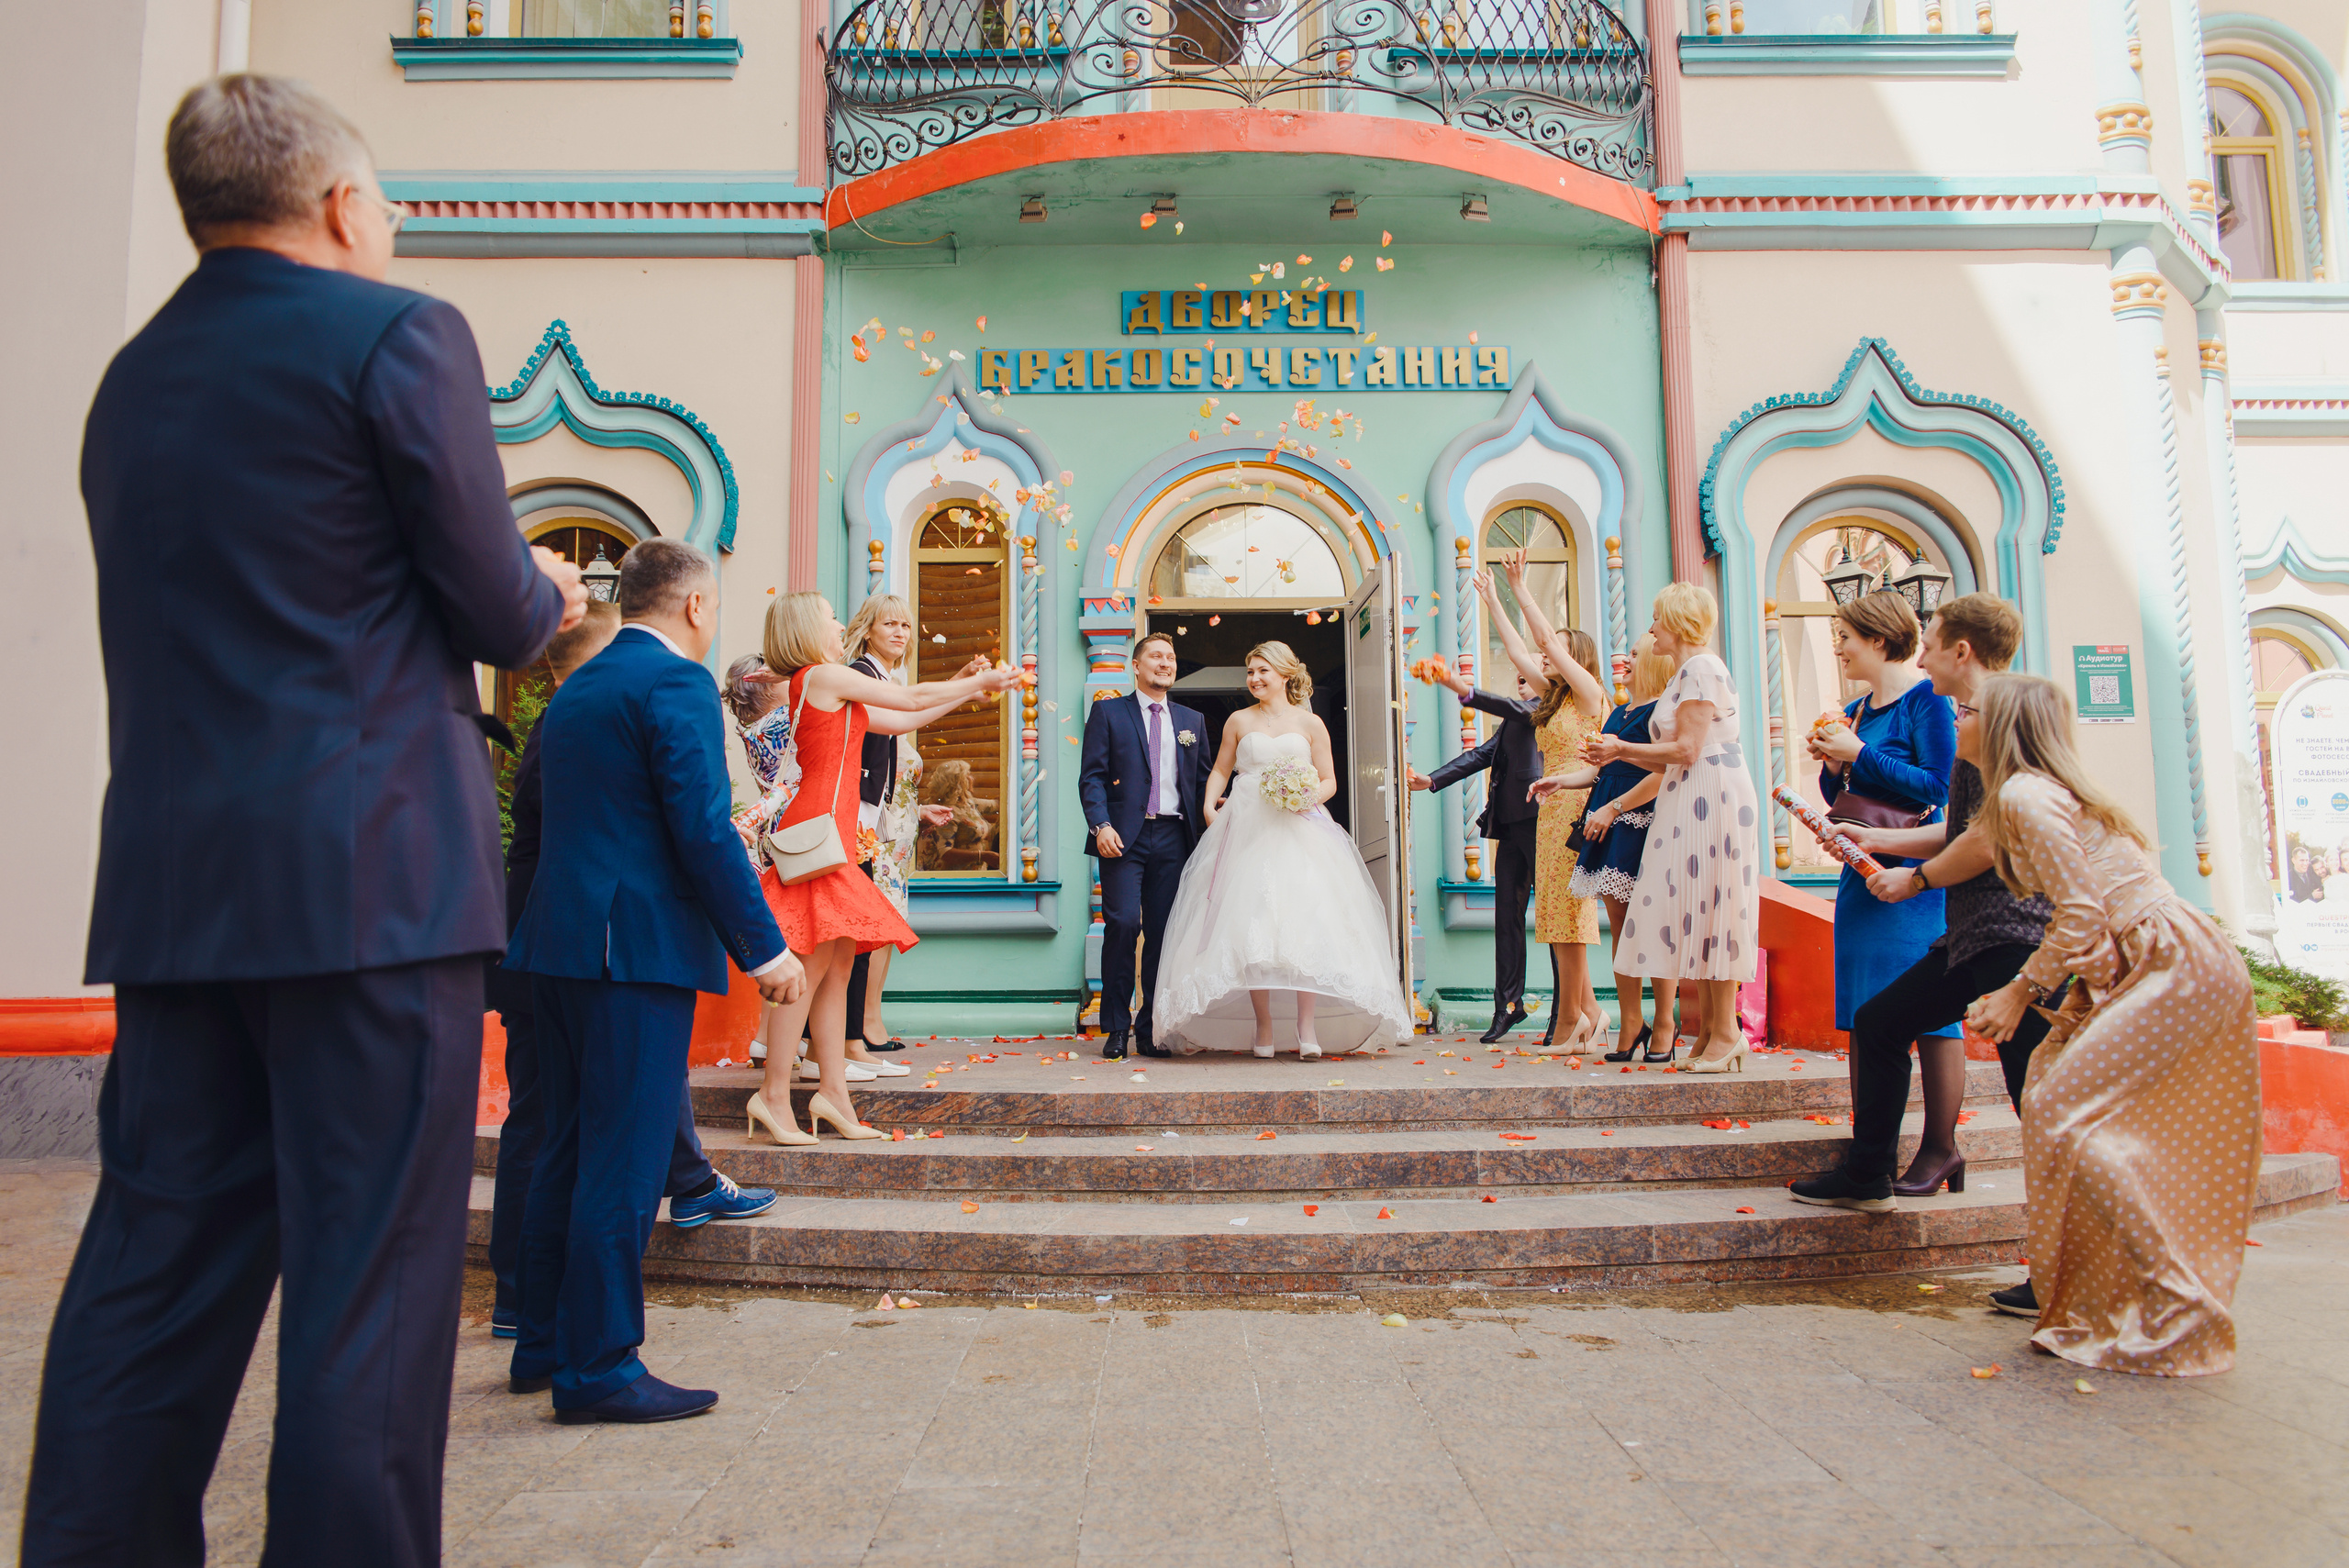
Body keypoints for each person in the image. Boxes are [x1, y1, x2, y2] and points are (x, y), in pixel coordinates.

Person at [26, 74, 585, 1566]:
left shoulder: (134, 374)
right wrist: (556, 595)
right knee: (369, 1292)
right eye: (384, 203)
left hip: (177, 893)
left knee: (151, 1273)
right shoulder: (397, 334)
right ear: (343, 205)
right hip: (374, 888)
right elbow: (491, 598)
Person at [504, 540, 807, 1424]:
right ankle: (599, 1366)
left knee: (563, 1145)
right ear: (697, 608)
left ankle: (544, 1343)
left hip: (555, 948)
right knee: (627, 1159)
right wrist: (764, 948)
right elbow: (702, 829)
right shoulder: (673, 684)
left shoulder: (581, 686)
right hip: (629, 953)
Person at [1963, 673, 2263, 1376]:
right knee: (2057, 1095)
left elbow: (2083, 914)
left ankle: (2179, 1306)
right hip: (2167, 958)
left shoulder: (2023, 793)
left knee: (2063, 1111)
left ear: (2000, 725)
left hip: (2173, 962)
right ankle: (2125, 1297)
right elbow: (2095, 922)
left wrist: (2020, 991)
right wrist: (2076, 1004)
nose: (1956, 717)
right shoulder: (2033, 795)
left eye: (1967, 710)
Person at [1789, 594, 2057, 1226]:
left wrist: (1915, 879)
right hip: (1973, 930)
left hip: (2016, 932)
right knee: (1881, 1021)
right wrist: (1879, 841)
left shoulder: (1997, 714)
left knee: (2036, 1095)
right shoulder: (1969, 714)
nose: (1922, 648)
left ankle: (2074, 1257)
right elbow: (1961, 826)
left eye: (1931, 638)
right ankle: (1868, 1170)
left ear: (1961, 651)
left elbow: (1983, 834)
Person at [747, 593, 1024, 1130]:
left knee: (836, 970)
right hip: (821, 836)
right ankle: (774, 1096)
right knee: (809, 971)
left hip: (837, 836)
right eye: (830, 616)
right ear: (808, 628)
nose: (837, 623)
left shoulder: (828, 684)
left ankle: (834, 1094)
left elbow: (902, 718)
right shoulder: (823, 676)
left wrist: (966, 696)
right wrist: (983, 682)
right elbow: (914, 694)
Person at [1155, 642, 1415, 1056]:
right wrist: (1208, 804)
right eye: (1250, 672)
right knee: (1249, 922)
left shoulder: (1310, 724)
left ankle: (1306, 1029)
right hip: (1246, 829)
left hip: (1299, 829)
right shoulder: (1239, 720)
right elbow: (1221, 769)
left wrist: (1306, 796)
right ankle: (1263, 1029)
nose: (1254, 679)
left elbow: (1329, 779)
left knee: (1305, 920)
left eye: (1262, 671)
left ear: (1285, 675)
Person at [1807, 590, 1957, 1182]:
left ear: (1878, 638)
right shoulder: (1857, 707)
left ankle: (1940, 1148)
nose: (1838, 647)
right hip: (1859, 870)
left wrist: (1860, 753)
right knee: (1864, 1010)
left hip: (1916, 878)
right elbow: (1844, 796)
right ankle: (1869, 1151)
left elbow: (1938, 789)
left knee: (1933, 1016)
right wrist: (1833, 761)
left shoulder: (1928, 703)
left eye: (1845, 636)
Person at [1587, 583, 1761, 1072]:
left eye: (1657, 618)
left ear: (1680, 621)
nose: (1651, 629)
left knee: (1715, 907)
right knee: (1699, 908)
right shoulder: (1687, 673)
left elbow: (1687, 749)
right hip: (1690, 795)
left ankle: (1726, 1034)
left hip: (1711, 794)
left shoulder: (1703, 667)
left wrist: (1620, 749)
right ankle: (1708, 1034)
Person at [1479, 558, 1614, 1051]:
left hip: (1578, 807)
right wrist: (1493, 600)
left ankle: (1577, 1018)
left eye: (1555, 647)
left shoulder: (1587, 694)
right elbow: (1520, 652)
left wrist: (1520, 588)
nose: (1544, 652)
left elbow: (1544, 643)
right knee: (1555, 913)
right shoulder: (1554, 700)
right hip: (1551, 808)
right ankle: (1587, 1016)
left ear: (1574, 654)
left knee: (1570, 913)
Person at [1080, 631, 1211, 1060]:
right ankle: (1115, 1028)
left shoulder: (1193, 721)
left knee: (1161, 934)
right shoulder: (1108, 713)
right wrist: (1100, 825)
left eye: (1171, 658)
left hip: (1175, 838)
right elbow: (1092, 777)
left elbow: (1204, 782)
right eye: (1156, 656)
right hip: (1122, 837)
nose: (1165, 663)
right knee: (1120, 925)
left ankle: (1149, 1029)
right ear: (1136, 666)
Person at [1408, 663, 1545, 1043]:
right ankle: (1507, 1007)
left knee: (1553, 919)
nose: (1522, 672)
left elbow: (1505, 707)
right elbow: (1481, 755)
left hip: (1539, 821)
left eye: (1532, 666)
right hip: (1508, 824)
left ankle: (1566, 1014)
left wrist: (1459, 685)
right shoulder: (1514, 720)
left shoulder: (1547, 707)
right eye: (1517, 669)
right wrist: (1432, 779)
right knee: (1507, 917)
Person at [1555, 636, 1677, 1062]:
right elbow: (1597, 771)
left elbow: (1664, 773)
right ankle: (1631, 1020)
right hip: (1608, 816)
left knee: (1653, 921)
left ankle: (1664, 1021)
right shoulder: (1620, 710)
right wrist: (1559, 781)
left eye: (1638, 653)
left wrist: (1613, 807)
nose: (1627, 660)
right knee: (1620, 920)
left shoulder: (1663, 710)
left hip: (1641, 819)